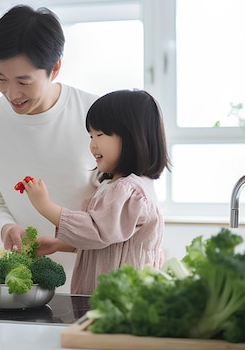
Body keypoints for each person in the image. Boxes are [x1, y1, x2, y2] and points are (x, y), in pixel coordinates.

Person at [0, 5, 99, 288]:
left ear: (56, 68)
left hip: (96, 279)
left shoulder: (96, 115)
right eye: (0, 78)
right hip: (26, 287)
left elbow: (125, 199)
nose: (11, 94)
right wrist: (5, 228)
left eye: (23, 81)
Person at [20, 89, 170, 295]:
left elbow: (97, 231)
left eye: (100, 134)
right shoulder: (118, 186)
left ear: (132, 137)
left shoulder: (129, 191)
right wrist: (59, 244)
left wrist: (44, 206)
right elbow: (107, 242)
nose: (92, 144)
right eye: (91, 135)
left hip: (119, 301)